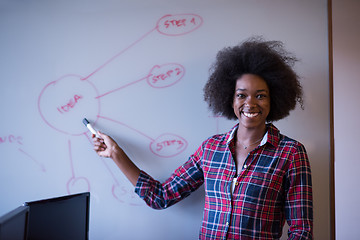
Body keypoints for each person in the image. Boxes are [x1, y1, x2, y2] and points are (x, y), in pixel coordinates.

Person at [92, 36, 313, 239]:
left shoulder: (291, 154)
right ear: (229, 98)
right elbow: (160, 196)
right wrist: (116, 154)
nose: (250, 103)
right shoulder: (210, 149)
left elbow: (301, 230)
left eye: (261, 96)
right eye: (241, 95)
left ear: (274, 98)